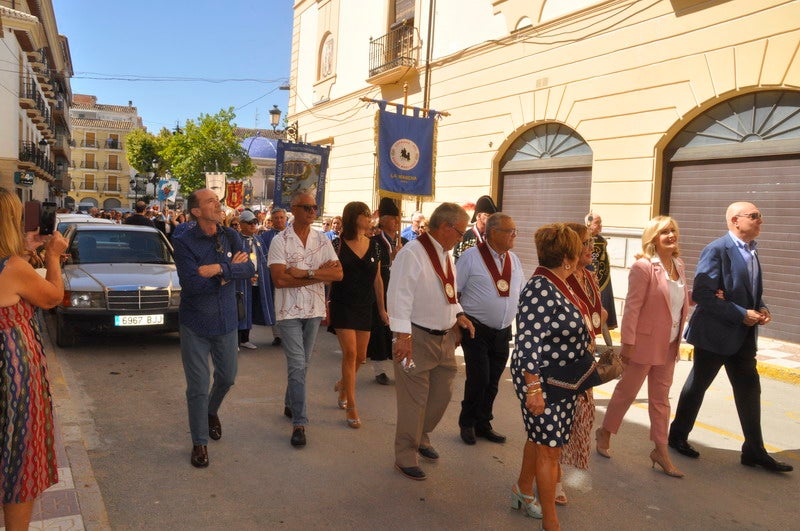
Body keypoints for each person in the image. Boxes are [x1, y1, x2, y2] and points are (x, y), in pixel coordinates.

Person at [669, 202, 792, 473]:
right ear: (736, 220)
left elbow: (750, 291)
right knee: (698, 385)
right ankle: (677, 436)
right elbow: (702, 294)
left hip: (744, 335)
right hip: (715, 333)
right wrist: (740, 313)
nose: (761, 220)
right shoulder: (717, 249)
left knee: (749, 390)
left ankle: (754, 450)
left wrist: (762, 308)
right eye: (755, 216)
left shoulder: (751, 251)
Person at [510, 223, 593, 530]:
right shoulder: (541, 288)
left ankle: (521, 489)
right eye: (581, 248)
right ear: (568, 258)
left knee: (540, 440)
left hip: (564, 381)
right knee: (550, 449)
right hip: (542, 382)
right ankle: (551, 522)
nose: (587, 252)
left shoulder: (562, 283)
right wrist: (534, 389)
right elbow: (528, 341)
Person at [595, 216, 690, 478]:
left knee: (660, 401)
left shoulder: (679, 265)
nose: (671, 235)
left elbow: (678, 302)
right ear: (653, 239)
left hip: (669, 345)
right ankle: (605, 432)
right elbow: (633, 308)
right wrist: (628, 344)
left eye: (673, 230)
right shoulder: (643, 267)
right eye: (664, 232)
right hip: (643, 344)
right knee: (627, 392)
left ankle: (660, 450)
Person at [387, 202, 476, 481]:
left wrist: (459, 314)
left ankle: (421, 436)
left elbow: (447, 291)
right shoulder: (413, 253)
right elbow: (398, 296)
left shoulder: (446, 254)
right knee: (414, 401)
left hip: (445, 338)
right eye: (460, 232)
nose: (462, 238)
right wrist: (402, 336)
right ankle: (405, 454)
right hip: (416, 337)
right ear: (445, 227)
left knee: (441, 396)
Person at [172, 189, 255, 468]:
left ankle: (210, 411)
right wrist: (227, 271)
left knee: (227, 378)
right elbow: (191, 285)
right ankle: (199, 443)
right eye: (210, 201)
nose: (217, 204)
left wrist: (218, 269)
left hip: (227, 322)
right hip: (195, 323)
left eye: (217, 200)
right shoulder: (183, 241)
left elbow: (249, 269)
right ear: (196, 211)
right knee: (197, 386)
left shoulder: (230, 235)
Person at [0, 188, 68, 529]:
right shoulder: (11, 268)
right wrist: (53, 257)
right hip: (12, 376)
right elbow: (52, 297)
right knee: (18, 455)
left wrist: (25, 253)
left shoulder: (13, 265)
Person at [268, 192, 342, 447]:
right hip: (288, 312)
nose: (313, 211)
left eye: (315, 207)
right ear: (294, 209)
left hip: (314, 310)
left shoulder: (322, 239)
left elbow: (339, 273)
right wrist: (322, 276)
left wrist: (304, 273)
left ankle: (290, 402)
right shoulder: (280, 241)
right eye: (307, 207)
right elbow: (279, 279)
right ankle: (299, 423)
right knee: (298, 365)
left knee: (302, 364)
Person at [456, 213, 524, 446]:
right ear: (493, 233)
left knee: (493, 381)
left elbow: (520, 292)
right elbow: (454, 291)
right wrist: (457, 320)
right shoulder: (470, 257)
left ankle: (483, 422)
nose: (515, 235)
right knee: (479, 379)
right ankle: (467, 422)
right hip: (476, 329)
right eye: (510, 231)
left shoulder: (514, 259)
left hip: (503, 331)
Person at [555, 222, 606, 504]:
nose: (591, 249)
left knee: (578, 420)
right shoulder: (559, 278)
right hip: (563, 361)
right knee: (558, 421)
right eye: (585, 243)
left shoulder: (590, 276)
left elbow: (596, 312)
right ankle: (552, 479)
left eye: (592, 243)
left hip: (585, 354)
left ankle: (550, 474)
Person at [329, 202, 389, 428]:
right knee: (350, 353)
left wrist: (382, 309)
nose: (370, 218)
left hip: (365, 306)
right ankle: (351, 405)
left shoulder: (375, 246)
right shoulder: (337, 244)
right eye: (366, 215)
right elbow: (330, 274)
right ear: (355, 218)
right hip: (343, 304)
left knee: (362, 357)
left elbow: (378, 280)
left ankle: (343, 383)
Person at [367, 198, 406, 385]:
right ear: (382, 220)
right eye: (392, 217)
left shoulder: (404, 241)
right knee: (380, 331)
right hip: (381, 290)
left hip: (400, 291)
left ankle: (403, 364)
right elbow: (374, 269)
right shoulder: (374, 242)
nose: (396, 221)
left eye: (398, 218)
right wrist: (392, 258)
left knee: (401, 329)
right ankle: (379, 369)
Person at [235, 210, 275, 350]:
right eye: (250, 222)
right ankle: (236, 341)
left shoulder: (258, 239)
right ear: (241, 224)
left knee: (250, 308)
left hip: (258, 280)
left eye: (255, 222)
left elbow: (264, 258)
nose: (253, 225)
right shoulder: (236, 240)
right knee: (239, 309)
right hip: (241, 282)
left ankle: (245, 339)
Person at [585, 211, 617, 328]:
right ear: (588, 223)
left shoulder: (602, 241)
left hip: (602, 278)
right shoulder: (582, 239)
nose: (600, 226)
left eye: (600, 223)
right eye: (597, 223)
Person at [261, 206, 288, 347]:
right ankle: (277, 335)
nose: (279, 220)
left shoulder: (294, 234)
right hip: (273, 276)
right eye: (275, 218)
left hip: (291, 276)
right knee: (275, 305)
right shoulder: (265, 236)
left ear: (286, 218)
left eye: (281, 217)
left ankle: (291, 335)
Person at [453, 195, 498, 262]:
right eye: (488, 215)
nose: (491, 219)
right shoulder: (465, 236)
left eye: (493, 216)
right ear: (479, 216)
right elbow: (459, 263)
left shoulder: (494, 236)